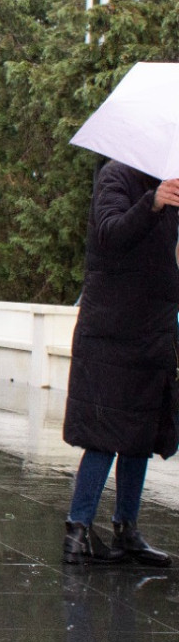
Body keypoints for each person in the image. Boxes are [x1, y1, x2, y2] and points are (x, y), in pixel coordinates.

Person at [61, 160, 179, 568]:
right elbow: (110, 235)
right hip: (112, 331)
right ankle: (77, 532)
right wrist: (154, 203)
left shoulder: (168, 184)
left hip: (152, 331)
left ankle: (127, 530)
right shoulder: (116, 176)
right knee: (104, 432)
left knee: (140, 434)